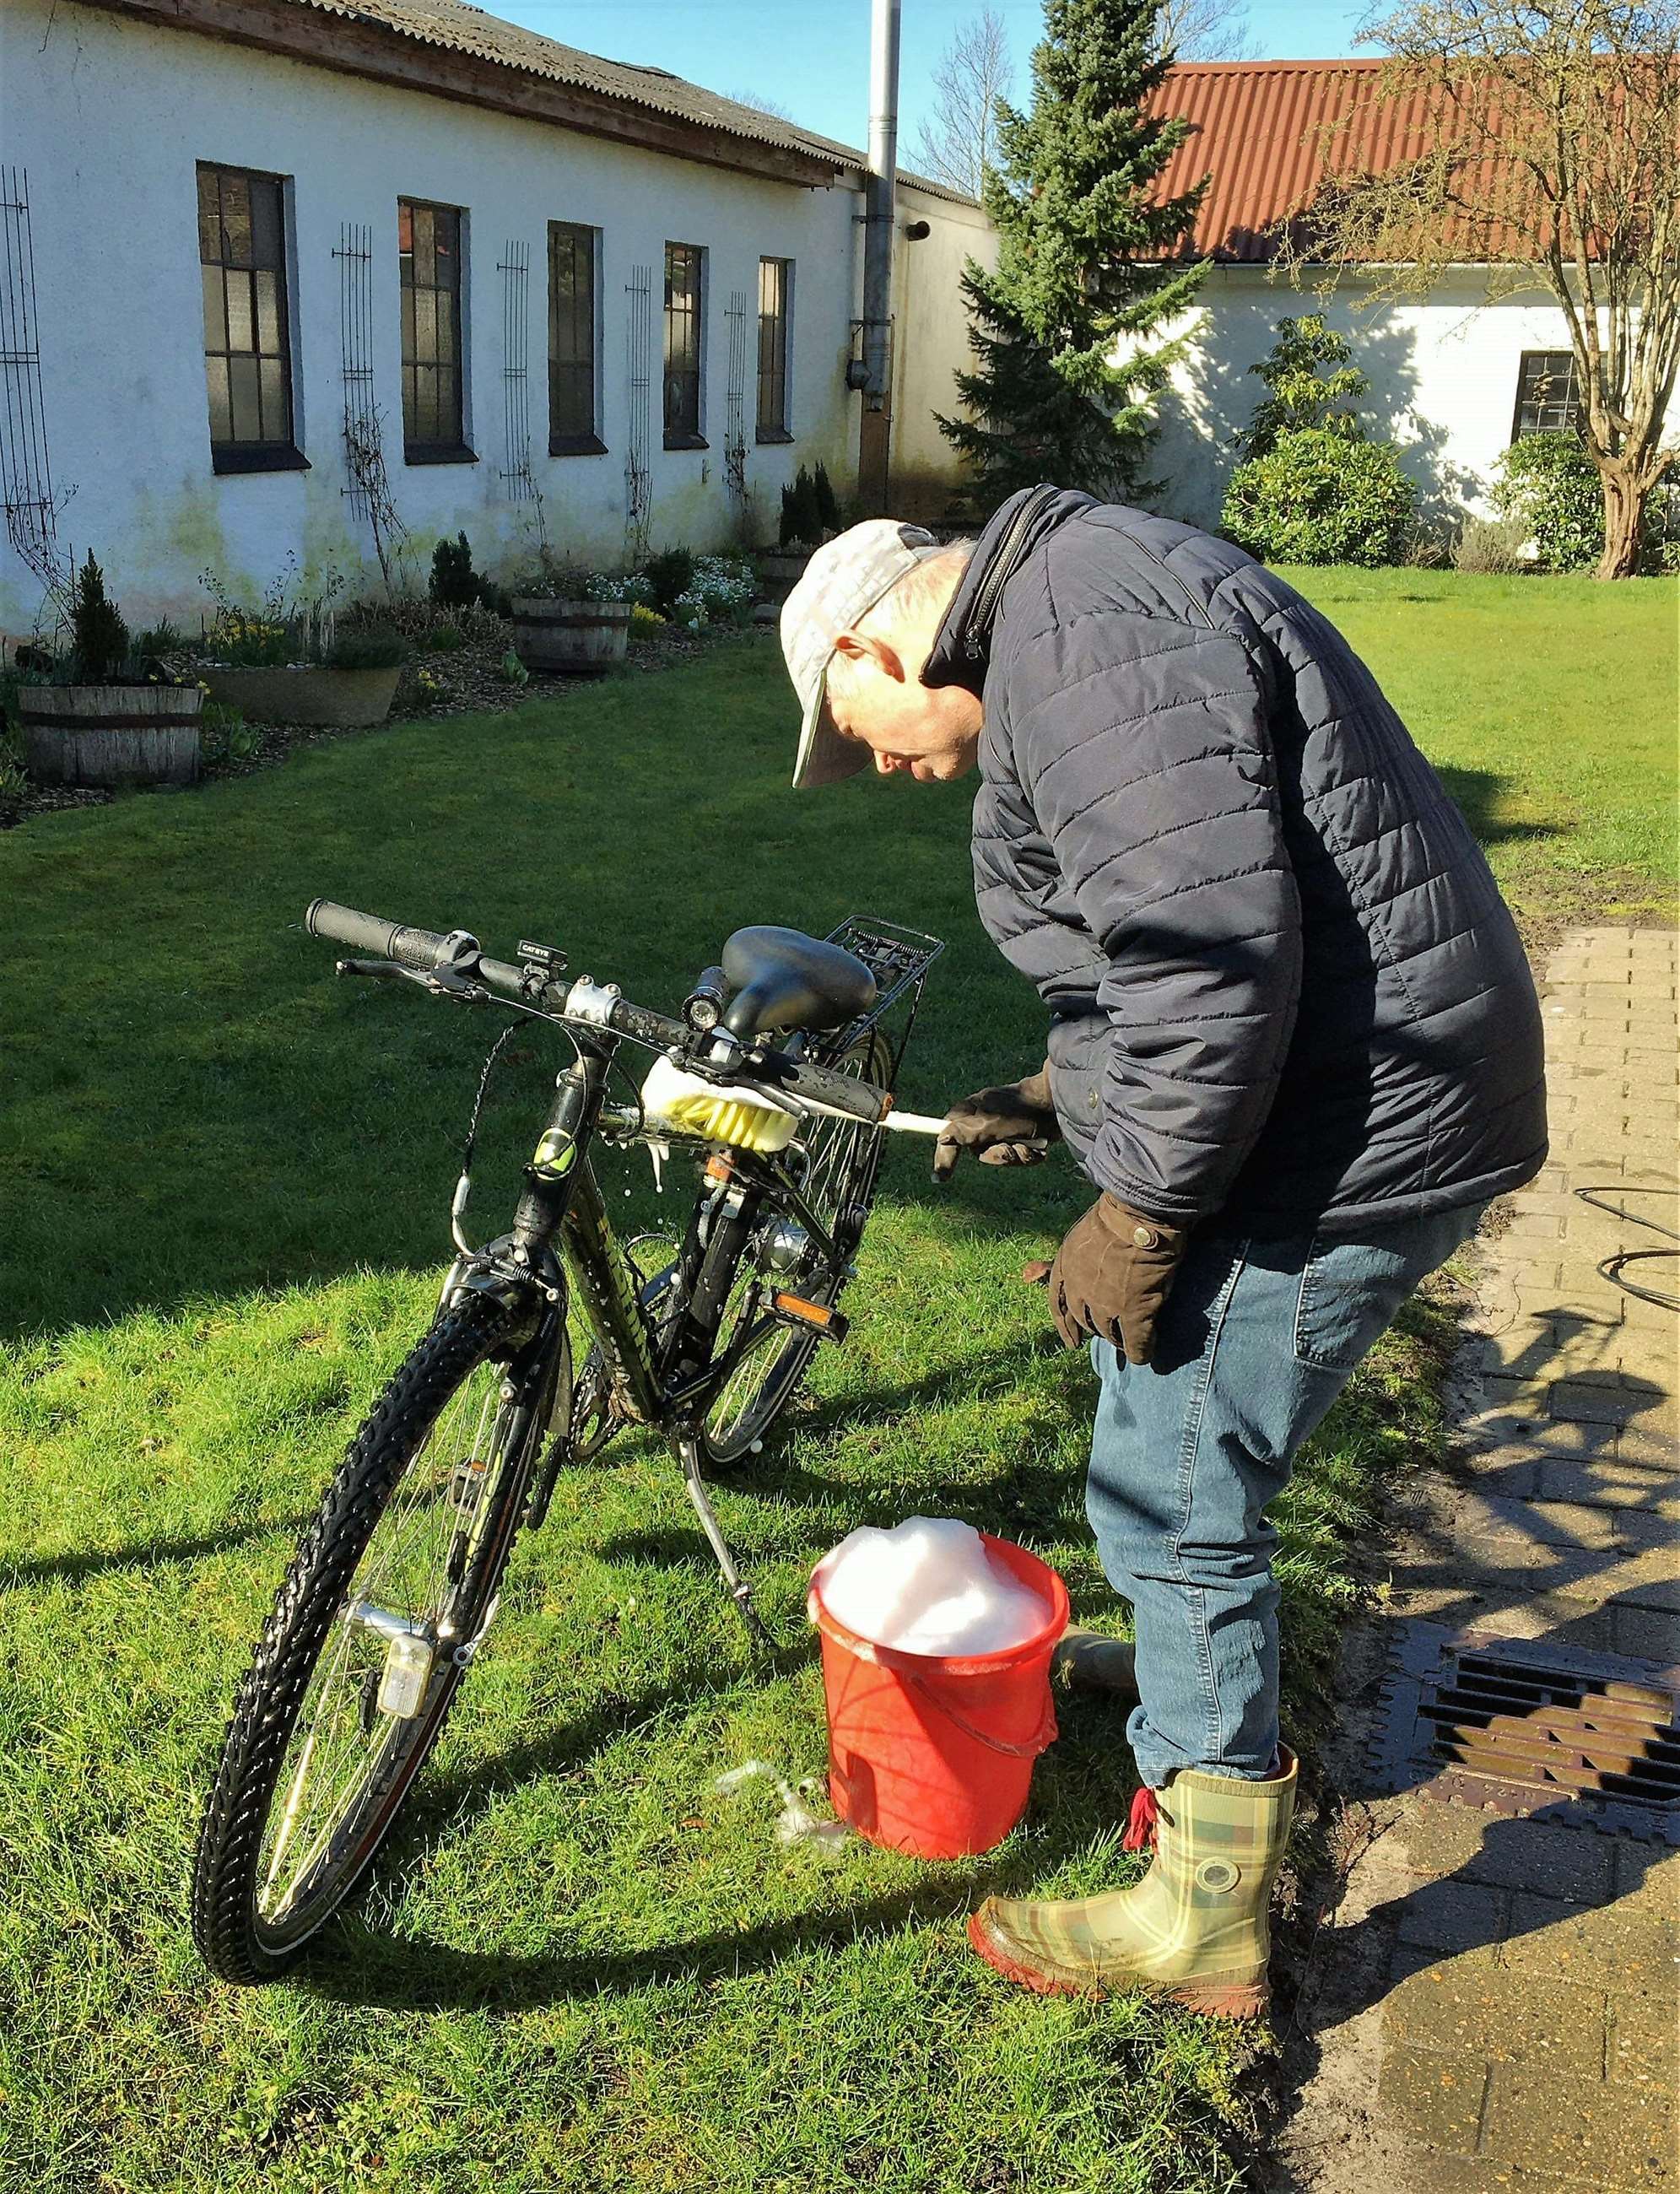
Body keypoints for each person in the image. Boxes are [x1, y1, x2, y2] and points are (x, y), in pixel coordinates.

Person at [777, 486, 1547, 2018]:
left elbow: (1215, 976)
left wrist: (1137, 1220)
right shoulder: (1081, 604)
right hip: (1377, 1087)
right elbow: (1176, 921)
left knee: (1173, 1493)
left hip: (1349, 1131)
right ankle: (1197, 1694)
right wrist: (1057, 1092)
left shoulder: (1076, 643)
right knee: (1167, 1462)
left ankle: (1202, 1913)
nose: (868, 759)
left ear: (874, 638)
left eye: (845, 718)